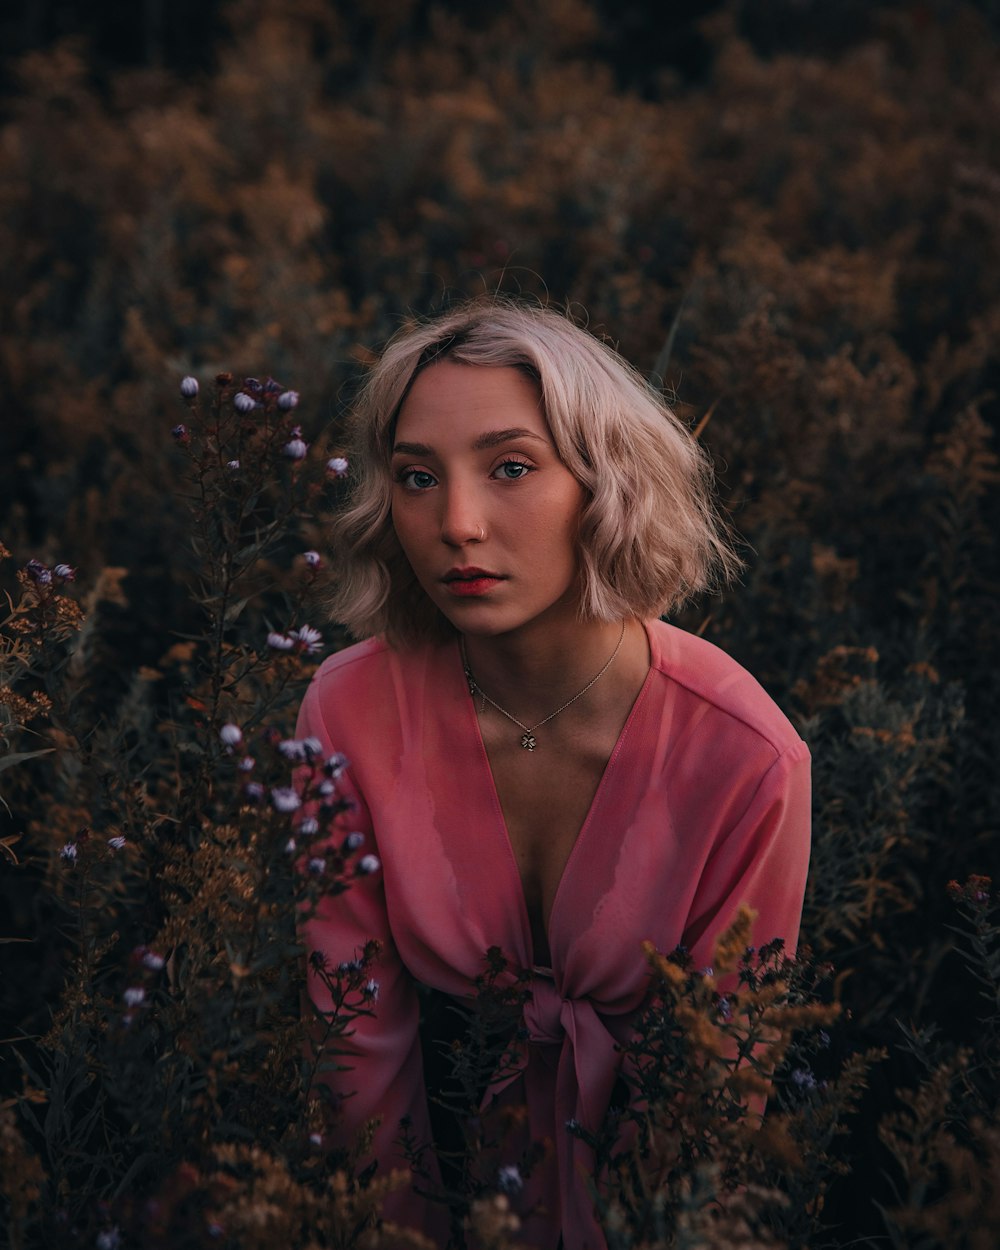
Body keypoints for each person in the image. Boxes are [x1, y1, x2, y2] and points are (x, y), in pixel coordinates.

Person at [296, 297, 811, 1250]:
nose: (456, 523)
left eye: (512, 468)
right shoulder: (349, 712)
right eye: (416, 477)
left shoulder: (744, 755)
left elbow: (715, 1091)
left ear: (606, 483)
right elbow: (353, 1042)